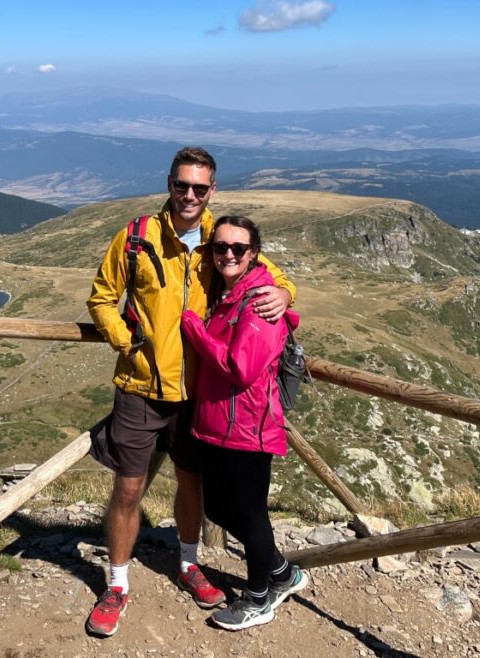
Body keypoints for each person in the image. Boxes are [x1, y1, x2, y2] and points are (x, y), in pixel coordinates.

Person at [85, 147, 296, 637]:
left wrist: (287, 293)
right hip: (141, 386)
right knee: (129, 488)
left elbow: (269, 276)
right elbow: (101, 297)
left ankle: (188, 564)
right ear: (169, 184)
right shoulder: (136, 238)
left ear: (212, 191)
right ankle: (116, 585)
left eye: (200, 188)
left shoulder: (221, 242)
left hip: (198, 393)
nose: (190, 195)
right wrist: (126, 340)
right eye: (182, 185)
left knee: (192, 484)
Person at [180, 215, 308, 631]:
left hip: (248, 427)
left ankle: (258, 600)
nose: (229, 254)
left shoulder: (259, 301)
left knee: (252, 515)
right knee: (217, 506)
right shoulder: (227, 292)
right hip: (220, 424)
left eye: (239, 248)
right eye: (221, 248)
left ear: (255, 253)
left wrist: (195, 331)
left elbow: (242, 366)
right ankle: (282, 573)